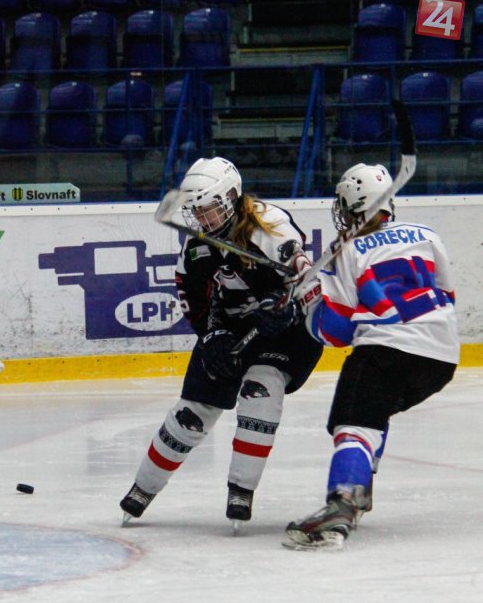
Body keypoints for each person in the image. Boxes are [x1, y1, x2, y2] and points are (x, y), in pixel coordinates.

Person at [119, 157, 323, 529]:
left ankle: (241, 490)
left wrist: (290, 308)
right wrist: (211, 333)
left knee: (261, 390)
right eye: (196, 210)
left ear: (230, 197)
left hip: (286, 332)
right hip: (231, 327)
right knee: (192, 413)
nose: (201, 217)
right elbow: (192, 297)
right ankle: (143, 488)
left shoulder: (271, 227)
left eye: (208, 207)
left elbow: (310, 285)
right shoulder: (197, 247)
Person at [277, 163, 458, 550]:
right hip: (441, 356)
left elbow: (336, 332)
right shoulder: (427, 235)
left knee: (353, 426)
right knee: (374, 414)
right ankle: (359, 492)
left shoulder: (347, 249)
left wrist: (309, 303)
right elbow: (448, 293)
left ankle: (342, 503)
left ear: (352, 207)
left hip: (387, 348)